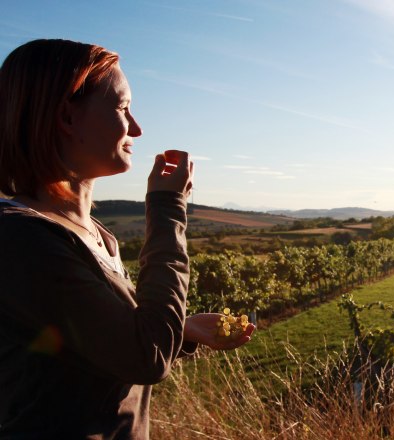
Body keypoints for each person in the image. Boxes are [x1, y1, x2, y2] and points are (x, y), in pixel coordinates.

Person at [0, 39, 255, 438]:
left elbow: (105, 347)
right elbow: (145, 357)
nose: (136, 128)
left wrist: (182, 330)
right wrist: (168, 207)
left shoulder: (96, 235)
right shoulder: (21, 238)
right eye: (122, 108)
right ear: (67, 116)